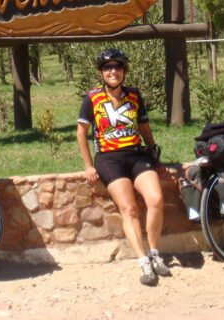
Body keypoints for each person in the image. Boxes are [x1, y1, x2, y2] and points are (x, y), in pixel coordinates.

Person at [76, 47, 170, 286]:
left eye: (117, 67)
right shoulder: (92, 98)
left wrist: (154, 154)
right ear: (101, 72)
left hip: (137, 155)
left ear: (124, 70)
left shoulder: (135, 95)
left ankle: (155, 253)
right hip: (109, 159)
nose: (113, 71)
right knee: (129, 209)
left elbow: (145, 127)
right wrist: (88, 165)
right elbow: (81, 133)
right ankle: (143, 261)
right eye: (107, 68)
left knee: (156, 199)